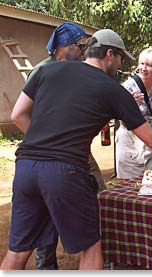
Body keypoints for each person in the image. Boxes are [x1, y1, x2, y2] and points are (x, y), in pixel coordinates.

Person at [0, 29, 152, 270]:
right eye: (122, 58)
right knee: (90, 247)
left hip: (26, 166)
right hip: (66, 172)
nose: (122, 64)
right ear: (110, 54)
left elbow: (18, 114)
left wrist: (45, 143)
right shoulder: (112, 89)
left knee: (18, 250)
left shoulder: (48, 70)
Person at [27, 22, 107, 270]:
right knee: (48, 208)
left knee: (99, 192)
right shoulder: (43, 71)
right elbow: (23, 114)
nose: (84, 52)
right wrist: (47, 141)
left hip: (77, 149)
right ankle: (46, 263)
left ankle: (102, 250)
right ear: (66, 47)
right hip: (52, 155)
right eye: (80, 46)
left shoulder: (76, 70)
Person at [115, 47, 152, 178]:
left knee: (150, 183)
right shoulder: (128, 86)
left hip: (149, 140)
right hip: (130, 140)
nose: (144, 68)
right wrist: (129, 105)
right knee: (130, 186)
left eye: (149, 65)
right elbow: (120, 119)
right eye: (142, 63)